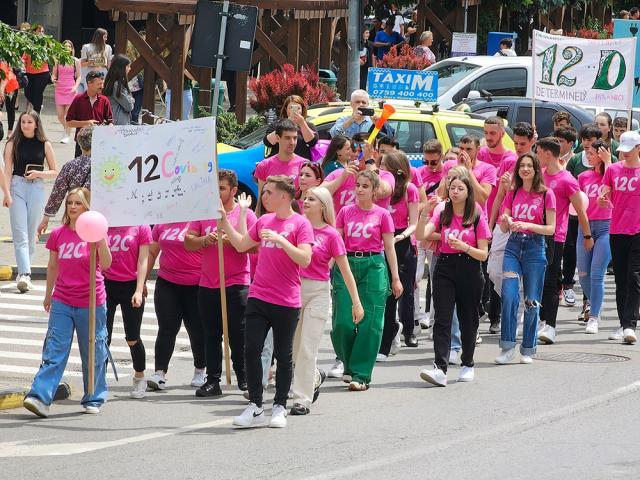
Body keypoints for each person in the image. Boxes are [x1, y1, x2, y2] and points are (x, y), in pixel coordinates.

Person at [219, 175, 313, 428]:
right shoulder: (263, 221)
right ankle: (255, 405)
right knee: (251, 349)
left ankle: (279, 406)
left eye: (269, 192)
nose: (264, 197)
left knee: (284, 355)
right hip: (259, 296)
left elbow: (305, 259)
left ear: (284, 196)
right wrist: (225, 222)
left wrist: (281, 240)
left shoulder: (301, 224)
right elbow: (240, 245)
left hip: (286, 300)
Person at [23, 188, 112, 417]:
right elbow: (52, 266)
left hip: (91, 301)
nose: (73, 207)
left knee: (93, 350)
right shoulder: (58, 234)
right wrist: (48, 294)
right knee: (54, 348)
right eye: (70, 203)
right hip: (63, 300)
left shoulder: (95, 233)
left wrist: (100, 239)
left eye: (78, 203)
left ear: (87, 207)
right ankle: (40, 396)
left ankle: (94, 396)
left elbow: (107, 264)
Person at [291, 186, 364, 414]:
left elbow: (345, 270)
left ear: (323, 205)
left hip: (318, 292)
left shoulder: (332, 235)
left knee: (307, 348)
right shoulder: (295, 226)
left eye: (312, 199)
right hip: (292, 290)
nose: (306, 201)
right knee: (292, 349)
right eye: (305, 198)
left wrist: (356, 302)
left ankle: (301, 400)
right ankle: (314, 376)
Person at [185, 170, 258, 397]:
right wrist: (204, 240)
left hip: (236, 282)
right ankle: (212, 380)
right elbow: (188, 241)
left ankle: (244, 377)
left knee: (238, 333)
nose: (216, 193)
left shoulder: (244, 214)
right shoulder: (203, 212)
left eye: (222, 188)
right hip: (208, 283)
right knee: (211, 334)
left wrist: (235, 241)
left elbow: (254, 247)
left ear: (234, 190)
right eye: (214, 188)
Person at [418, 170, 490, 386]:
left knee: (468, 320)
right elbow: (422, 235)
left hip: (469, 268)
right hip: (444, 267)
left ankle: (468, 362)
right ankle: (440, 368)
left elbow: (483, 253)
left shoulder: (476, 213)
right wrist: (424, 214)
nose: (455, 191)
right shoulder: (442, 212)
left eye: (460, 188)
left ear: (468, 192)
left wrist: (465, 247)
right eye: (452, 188)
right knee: (442, 318)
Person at [332, 170, 402, 390]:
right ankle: (349, 363)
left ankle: (360, 375)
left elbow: (389, 248)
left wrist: (395, 278)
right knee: (342, 321)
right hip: (347, 264)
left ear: (374, 191)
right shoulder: (344, 211)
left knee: (370, 323)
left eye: (365, 186)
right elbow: (336, 242)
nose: (359, 189)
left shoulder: (382, 215)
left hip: (374, 265)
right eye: (357, 185)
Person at [495, 153, 556, 365]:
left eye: (530, 166)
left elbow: (551, 229)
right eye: (522, 166)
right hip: (513, 246)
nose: (525, 169)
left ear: (536, 169)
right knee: (510, 295)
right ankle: (507, 346)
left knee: (532, 300)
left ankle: (528, 348)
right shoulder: (513, 193)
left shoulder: (547, 194)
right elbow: (503, 226)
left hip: (535, 247)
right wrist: (506, 220)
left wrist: (527, 225)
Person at [537, 137, 592, 344]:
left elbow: (580, 211)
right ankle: (539, 321)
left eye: (539, 152)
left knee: (551, 280)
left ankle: (549, 325)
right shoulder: (538, 176)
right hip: (535, 234)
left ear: (548, 154)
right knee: (537, 280)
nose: (537, 156)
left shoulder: (567, 179)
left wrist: (587, 236)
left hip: (556, 237)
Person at [146, 222, 207, 390]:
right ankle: (159, 373)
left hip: (196, 283)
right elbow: (152, 252)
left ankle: (200, 370)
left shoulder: (199, 220)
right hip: (167, 281)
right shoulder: (163, 221)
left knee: (196, 328)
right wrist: (142, 281)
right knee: (166, 328)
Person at [3, 111, 58, 293]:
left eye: (29, 122)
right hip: (17, 186)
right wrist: (6, 193)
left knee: (32, 232)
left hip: (36, 187)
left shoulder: (45, 144)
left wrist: (39, 174)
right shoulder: (13, 143)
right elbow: (7, 171)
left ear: (36, 124)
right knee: (20, 232)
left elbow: (54, 170)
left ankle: (24, 272)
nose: (25, 125)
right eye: (23, 121)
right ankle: (25, 273)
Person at [599, 131, 640, 344]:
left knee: (634, 276)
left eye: (629, 150)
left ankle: (630, 325)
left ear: (639, 148)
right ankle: (624, 323)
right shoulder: (613, 170)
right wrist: (603, 200)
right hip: (617, 229)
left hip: (638, 231)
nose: (625, 155)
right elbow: (603, 194)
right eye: (622, 151)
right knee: (621, 279)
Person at [378, 150, 419, 357]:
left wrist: (402, 237)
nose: (380, 170)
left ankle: (406, 329)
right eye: (380, 165)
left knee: (402, 292)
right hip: (381, 241)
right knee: (385, 297)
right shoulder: (379, 189)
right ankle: (385, 341)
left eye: (385, 166)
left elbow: (415, 223)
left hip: (401, 243)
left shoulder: (410, 189)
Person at [104, 222, 151, 398]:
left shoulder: (141, 227)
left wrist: (139, 289)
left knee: (132, 337)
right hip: (106, 284)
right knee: (102, 337)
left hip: (131, 285)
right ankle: (99, 381)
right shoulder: (105, 224)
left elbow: (143, 259)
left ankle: (139, 378)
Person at [577, 140, 612, 335]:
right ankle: (596, 301)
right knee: (583, 276)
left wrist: (608, 163)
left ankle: (594, 317)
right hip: (586, 226)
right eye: (586, 153)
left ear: (602, 154)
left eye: (591, 153)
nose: (587, 156)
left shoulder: (613, 171)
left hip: (607, 226)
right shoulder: (583, 176)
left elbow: (614, 185)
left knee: (597, 273)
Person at [37, 126, 93, 237]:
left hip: (75, 213)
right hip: (97, 215)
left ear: (79, 143)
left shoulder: (69, 166)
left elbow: (57, 193)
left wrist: (46, 218)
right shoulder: (105, 166)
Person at [415, 140, 446, 329]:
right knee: (415, 277)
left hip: (437, 230)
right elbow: (415, 203)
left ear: (441, 157)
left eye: (433, 162)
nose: (429, 166)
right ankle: (416, 316)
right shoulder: (419, 173)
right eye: (426, 161)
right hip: (420, 227)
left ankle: (434, 319)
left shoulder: (447, 173)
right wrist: (426, 207)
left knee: (436, 280)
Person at [322, 141, 395, 214]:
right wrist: (341, 178)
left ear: (375, 153)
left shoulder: (385, 176)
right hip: (341, 224)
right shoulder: (340, 173)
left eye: (362, 151)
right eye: (353, 150)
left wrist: (369, 159)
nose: (356, 155)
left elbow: (380, 192)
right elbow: (318, 194)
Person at [255, 119, 306, 213]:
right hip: (271, 220)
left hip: (296, 221)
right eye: (287, 138)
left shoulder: (305, 165)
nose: (292, 142)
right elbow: (261, 200)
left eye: (295, 138)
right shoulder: (264, 165)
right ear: (278, 138)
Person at [66, 70, 112, 158]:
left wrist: (109, 128)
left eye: (102, 84)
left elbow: (110, 121)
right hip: (82, 143)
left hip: (100, 143)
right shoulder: (78, 99)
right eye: (99, 84)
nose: (102, 87)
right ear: (89, 83)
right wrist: (86, 123)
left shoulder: (104, 100)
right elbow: (69, 122)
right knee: (80, 170)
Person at [263, 96, 318, 161]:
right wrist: (284, 125)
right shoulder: (276, 125)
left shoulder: (308, 125)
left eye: (298, 108)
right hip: (279, 165)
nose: (295, 111)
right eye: (291, 108)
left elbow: (312, 142)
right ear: (286, 109)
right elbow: (267, 142)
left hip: (300, 166)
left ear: (302, 109)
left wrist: (302, 123)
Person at [51, 40, 82, 143]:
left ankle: (67, 135)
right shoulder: (58, 60)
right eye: (65, 46)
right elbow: (54, 74)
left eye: (69, 46)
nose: (67, 48)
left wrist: (75, 87)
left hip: (71, 89)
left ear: (72, 49)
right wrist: (53, 79)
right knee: (60, 115)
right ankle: (66, 128)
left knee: (68, 115)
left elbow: (79, 76)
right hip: (59, 88)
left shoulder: (75, 61)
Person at [21, 25, 50, 113]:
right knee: (27, 93)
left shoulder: (47, 43)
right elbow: (24, 58)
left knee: (38, 93)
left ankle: (36, 113)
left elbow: (51, 57)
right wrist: (22, 66)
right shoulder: (29, 44)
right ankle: (38, 106)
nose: (41, 33)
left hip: (42, 73)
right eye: (39, 31)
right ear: (34, 32)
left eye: (43, 32)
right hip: (29, 73)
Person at [103, 54, 134, 125]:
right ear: (121, 68)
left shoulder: (111, 83)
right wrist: (132, 98)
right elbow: (129, 106)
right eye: (128, 66)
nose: (130, 68)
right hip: (118, 124)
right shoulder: (116, 85)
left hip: (115, 122)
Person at [80, 28, 113, 93]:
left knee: (101, 93)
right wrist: (89, 62)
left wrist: (110, 75)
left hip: (103, 73)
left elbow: (109, 64)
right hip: (90, 73)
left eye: (106, 37)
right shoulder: (86, 47)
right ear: (99, 37)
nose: (106, 39)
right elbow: (82, 63)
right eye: (104, 37)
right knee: (89, 93)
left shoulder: (108, 47)